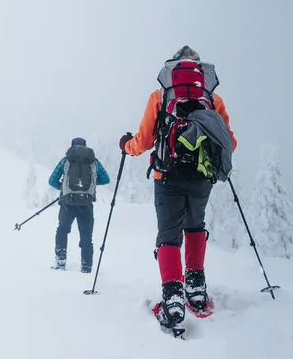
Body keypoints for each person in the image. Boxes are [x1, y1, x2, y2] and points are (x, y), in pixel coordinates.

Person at [119, 46, 237, 332]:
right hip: (201, 178)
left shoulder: (159, 97)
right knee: (195, 226)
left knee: (169, 235)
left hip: (167, 176)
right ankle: (196, 290)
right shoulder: (212, 98)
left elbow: (145, 140)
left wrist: (127, 145)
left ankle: (173, 296)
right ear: (199, 71)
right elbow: (229, 142)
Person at [48, 137, 110, 273]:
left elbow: (52, 180)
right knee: (87, 237)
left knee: (62, 230)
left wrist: (64, 189)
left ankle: (60, 262)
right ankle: (86, 267)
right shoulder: (94, 163)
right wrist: (91, 184)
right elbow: (106, 179)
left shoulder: (65, 161)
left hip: (67, 203)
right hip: (86, 204)